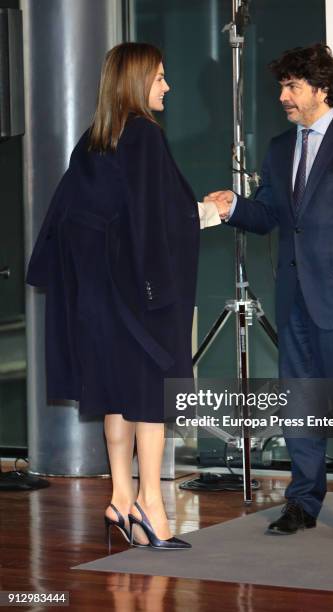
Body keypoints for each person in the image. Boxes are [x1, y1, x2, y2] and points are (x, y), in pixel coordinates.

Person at [206, 44, 333, 539]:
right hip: (295, 299)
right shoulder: (279, 148)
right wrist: (235, 207)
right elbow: (272, 215)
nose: (283, 96)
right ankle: (302, 502)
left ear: (321, 89)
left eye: (292, 86)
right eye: (282, 86)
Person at [26, 43, 200, 551]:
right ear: (136, 81)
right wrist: (202, 214)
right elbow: (156, 222)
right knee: (148, 402)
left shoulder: (94, 141)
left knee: (116, 401)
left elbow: (68, 224)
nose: (166, 86)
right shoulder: (144, 136)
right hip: (141, 301)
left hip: (98, 304)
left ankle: (120, 498)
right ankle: (151, 505)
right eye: (160, 77)